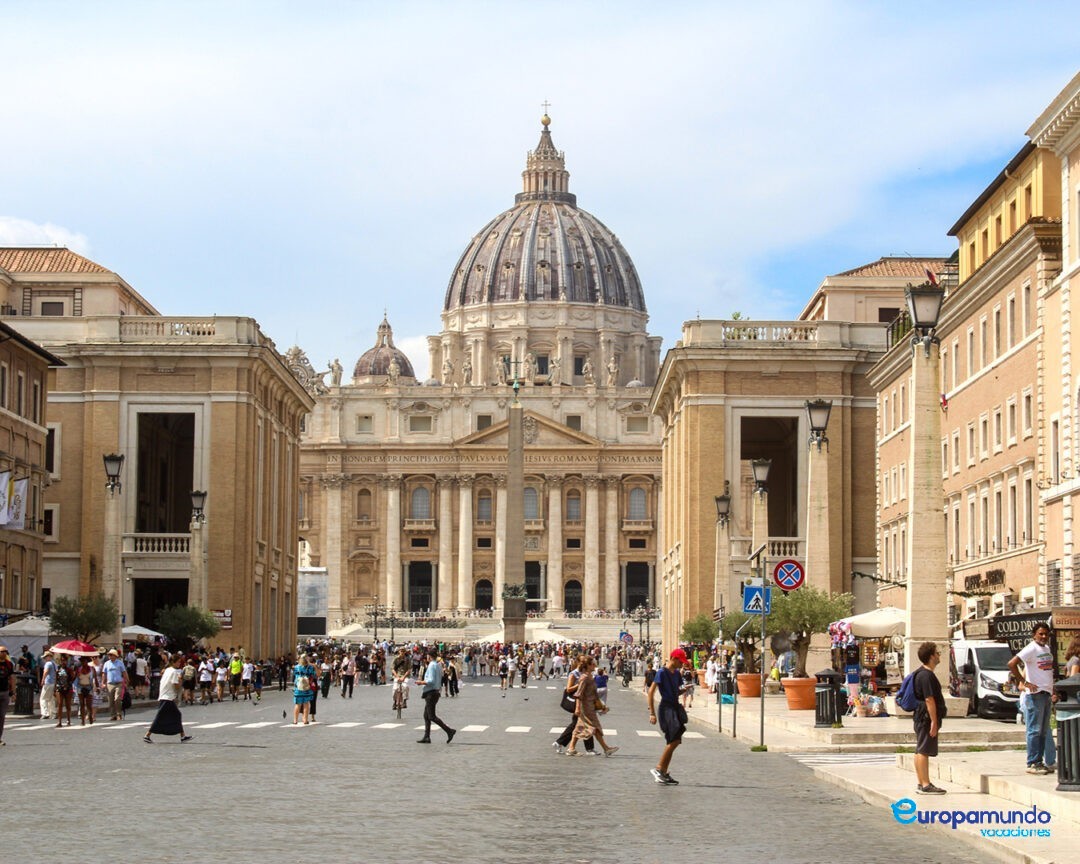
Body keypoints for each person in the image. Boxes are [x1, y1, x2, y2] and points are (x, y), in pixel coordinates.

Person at [1008, 621, 1059, 775]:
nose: (1043, 636)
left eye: (1046, 634)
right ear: (1034, 634)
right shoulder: (1031, 648)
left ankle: (1040, 761)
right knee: (1034, 730)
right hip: (1035, 695)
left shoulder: (1046, 648)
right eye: (1040, 634)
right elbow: (1012, 663)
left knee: (1043, 731)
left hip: (1046, 694)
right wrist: (1024, 682)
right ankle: (1033, 762)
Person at [648, 648, 690, 785]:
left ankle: (664, 771)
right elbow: (651, 692)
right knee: (674, 740)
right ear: (674, 658)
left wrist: (683, 690)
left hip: (674, 707)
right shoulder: (661, 672)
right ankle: (659, 769)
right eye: (680, 661)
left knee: (675, 740)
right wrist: (652, 713)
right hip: (666, 708)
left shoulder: (677, 674)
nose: (681, 664)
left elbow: (676, 692)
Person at [910, 641, 947, 794]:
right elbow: (929, 699)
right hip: (926, 716)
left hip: (921, 715)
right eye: (937, 653)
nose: (939, 656)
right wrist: (934, 720)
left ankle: (921, 782)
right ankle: (925, 784)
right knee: (924, 750)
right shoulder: (926, 676)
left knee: (920, 749)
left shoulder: (920, 673)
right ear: (931, 656)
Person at [565, 656, 618, 757]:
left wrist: (601, 706)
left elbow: (593, 694)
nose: (595, 665)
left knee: (581, 727)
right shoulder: (584, 678)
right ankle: (606, 748)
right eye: (593, 664)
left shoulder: (590, 676)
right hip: (585, 707)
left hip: (590, 706)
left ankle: (571, 748)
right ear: (588, 666)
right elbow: (579, 693)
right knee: (594, 727)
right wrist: (577, 708)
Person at [143, 654, 192, 743]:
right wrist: (181, 680)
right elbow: (176, 686)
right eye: (178, 662)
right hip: (167, 697)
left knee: (176, 715)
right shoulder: (173, 672)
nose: (179, 664)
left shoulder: (168, 670)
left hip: (165, 696)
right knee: (160, 717)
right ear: (174, 662)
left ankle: (183, 736)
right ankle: (147, 735)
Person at [553, 656, 596, 755]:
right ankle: (588, 748)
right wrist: (580, 684)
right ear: (577, 662)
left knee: (580, 725)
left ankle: (560, 743)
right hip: (577, 702)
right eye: (581, 661)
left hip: (585, 702)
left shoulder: (586, 673)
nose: (583, 663)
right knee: (582, 724)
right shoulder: (574, 674)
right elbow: (568, 689)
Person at [416, 649, 455, 744]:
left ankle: (449, 731)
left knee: (431, 716)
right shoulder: (438, 665)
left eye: (427, 656)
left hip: (431, 693)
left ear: (429, 656)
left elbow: (431, 681)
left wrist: (420, 682)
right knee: (426, 716)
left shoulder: (432, 665)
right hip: (435, 692)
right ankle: (427, 736)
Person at [101, 648, 129, 721]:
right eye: (109, 655)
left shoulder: (120, 663)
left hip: (118, 683)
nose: (110, 656)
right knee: (110, 701)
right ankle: (113, 715)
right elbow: (104, 673)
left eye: (111, 655)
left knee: (117, 699)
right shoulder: (106, 663)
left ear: (115, 656)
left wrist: (126, 681)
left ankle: (119, 714)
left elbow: (124, 672)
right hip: (110, 684)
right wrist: (103, 683)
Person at [292, 653, 316, 725]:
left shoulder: (296, 667)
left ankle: (295, 720)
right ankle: (305, 719)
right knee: (306, 704)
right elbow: (313, 676)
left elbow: (294, 676)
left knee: (297, 704)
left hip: (298, 688)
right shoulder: (310, 667)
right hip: (307, 688)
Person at [0, 645, 15, 745]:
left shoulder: (9, 664)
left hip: (5, 692)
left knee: (1, 717)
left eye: (5, 651)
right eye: (2, 651)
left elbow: (11, 678)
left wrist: (13, 692)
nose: (4, 653)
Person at [75, 655, 96, 725]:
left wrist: (97, 687)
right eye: (82, 661)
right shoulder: (78, 669)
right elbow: (75, 679)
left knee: (89, 704)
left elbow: (95, 679)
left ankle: (90, 716)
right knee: (81, 704)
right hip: (80, 687)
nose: (83, 662)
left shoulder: (92, 669)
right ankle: (83, 720)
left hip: (88, 687)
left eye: (84, 661)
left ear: (87, 661)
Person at [54, 655, 75, 727]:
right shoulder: (58, 670)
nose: (63, 662)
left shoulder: (69, 670)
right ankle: (59, 721)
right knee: (59, 704)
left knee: (68, 705)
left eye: (65, 660)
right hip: (59, 688)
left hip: (68, 688)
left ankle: (68, 719)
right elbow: (56, 679)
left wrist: (73, 674)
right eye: (62, 660)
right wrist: (54, 689)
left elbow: (72, 679)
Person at [39, 650, 56, 721]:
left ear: (49, 657)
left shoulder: (48, 664)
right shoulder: (54, 663)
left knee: (43, 698)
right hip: (53, 682)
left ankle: (45, 713)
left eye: (45, 657)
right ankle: (53, 713)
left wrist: (42, 680)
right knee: (51, 699)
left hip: (48, 682)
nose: (45, 659)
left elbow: (46, 672)